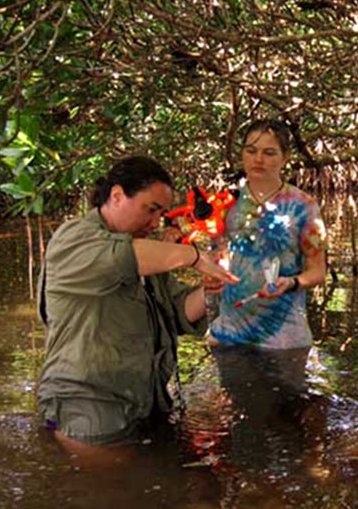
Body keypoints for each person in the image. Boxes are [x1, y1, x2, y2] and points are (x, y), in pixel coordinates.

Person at [37, 156, 239, 452]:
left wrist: (214, 287)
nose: (156, 222)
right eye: (151, 209)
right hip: (88, 409)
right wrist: (194, 257)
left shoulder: (144, 250)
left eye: (162, 213)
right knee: (117, 489)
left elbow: (177, 310)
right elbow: (123, 258)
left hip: (142, 402)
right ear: (117, 195)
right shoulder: (74, 239)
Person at [208, 118, 326, 350]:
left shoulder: (305, 206)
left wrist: (291, 283)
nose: (258, 159)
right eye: (251, 151)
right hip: (228, 334)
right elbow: (215, 258)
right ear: (242, 154)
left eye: (269, 153)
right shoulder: (224, 204)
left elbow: (318, 271)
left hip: (285, 340)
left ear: (286, 157)